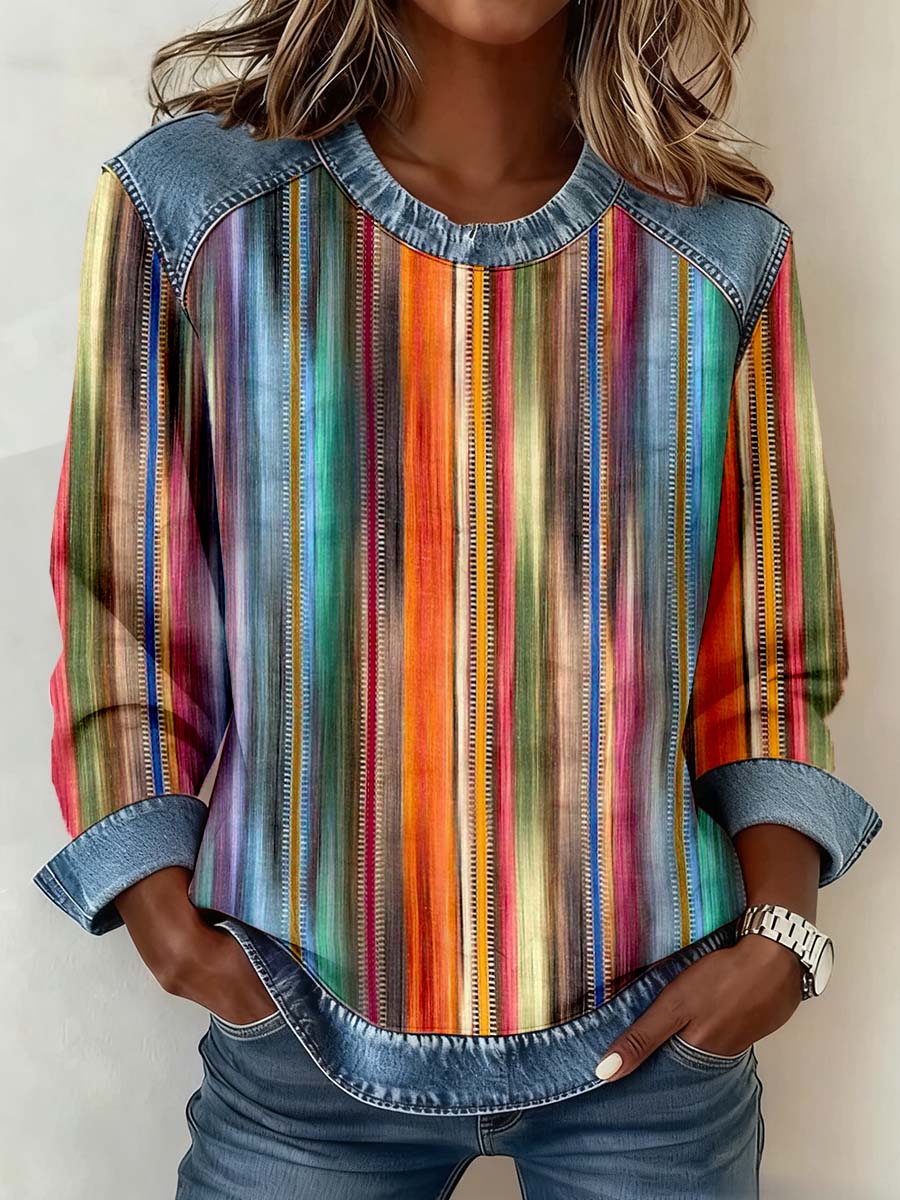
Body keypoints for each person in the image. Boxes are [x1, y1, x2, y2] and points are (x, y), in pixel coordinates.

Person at [34, 1, 883, 1197]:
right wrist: (160, 912)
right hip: (297, 1037)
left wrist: (779, 942)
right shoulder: (193, 212)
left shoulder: (719, 254)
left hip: (659, 1048)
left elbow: (769, 657)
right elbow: (121, 598)